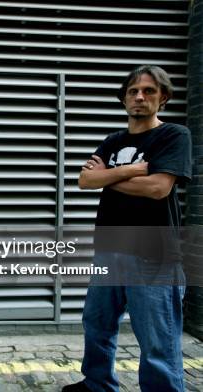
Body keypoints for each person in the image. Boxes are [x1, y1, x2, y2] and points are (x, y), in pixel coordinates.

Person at [63, 65, 192, 392]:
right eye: (133, 91)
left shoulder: (173, 135)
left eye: (149, 91)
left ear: (162, 97)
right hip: (109, 248)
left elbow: (157, 188)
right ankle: (97, 384)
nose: (139, 97)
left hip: (153, 254)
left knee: (157, 339)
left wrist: (109, 176)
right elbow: (84, 180)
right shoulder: (113, 140)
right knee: (97, 324)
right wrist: (133, 170)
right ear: (123, 98)